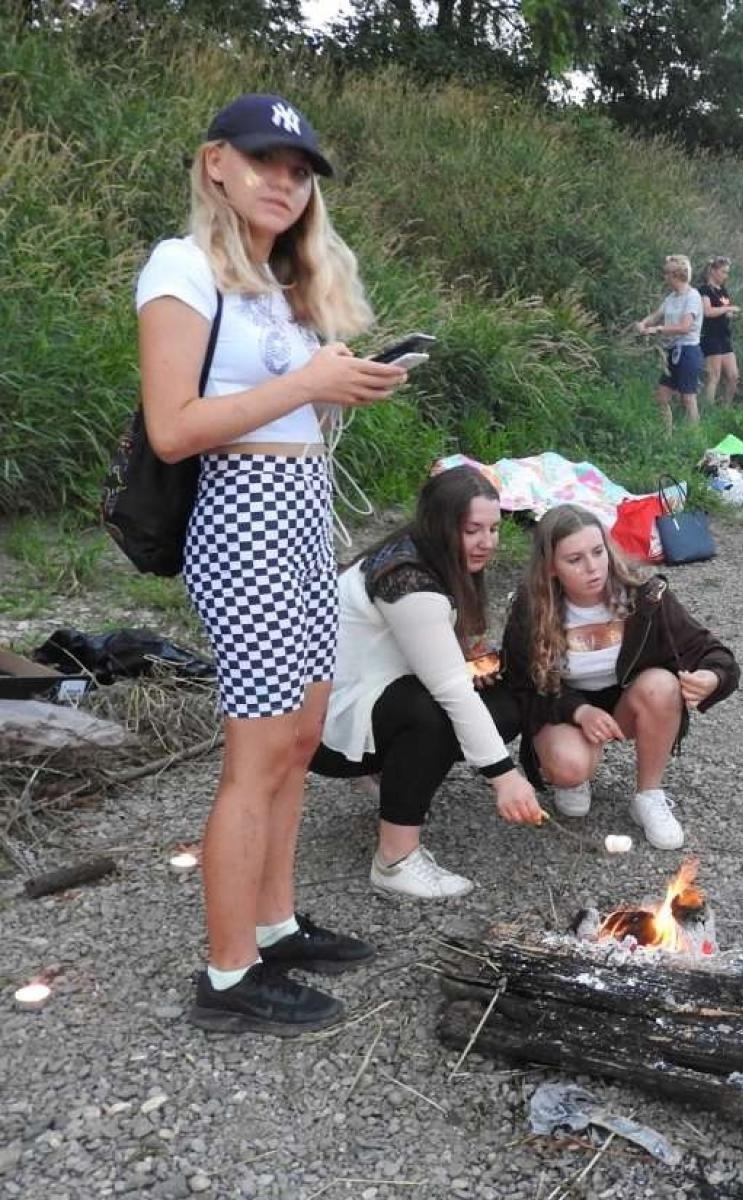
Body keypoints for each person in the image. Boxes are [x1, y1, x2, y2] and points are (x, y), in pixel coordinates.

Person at [137, 94, 410, 1034]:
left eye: (299, 172)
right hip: (242, 526)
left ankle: (275, 922)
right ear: (216, 163)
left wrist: (343, 388)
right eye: (265, 163)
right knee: (255, 759)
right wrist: (307, 381)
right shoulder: (181, 266)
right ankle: (227, 975)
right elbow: (174, 430)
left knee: (299, 741)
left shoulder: (270, 281)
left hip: (299, 523)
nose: (285, 183)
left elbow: (287, 409)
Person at [310, 466, 545, 899]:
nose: (488, 542)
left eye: (494, 528)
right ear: (441, 523)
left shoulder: (428, 553)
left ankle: (390, 774)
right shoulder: (409, 581)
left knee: (501, 706)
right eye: (473, 529)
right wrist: (504, 777)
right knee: (432, 711)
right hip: (319, 727)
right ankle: (395, 859)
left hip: (362, 695)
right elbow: (450, 689)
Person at [503, 505, 740, 849]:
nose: (592, 568)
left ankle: (648, 795)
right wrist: (578, 712)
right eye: (574, 559)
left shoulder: (643, 596)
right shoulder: (531, 609)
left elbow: (709, 650)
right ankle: (573, 777)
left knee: (662, 684)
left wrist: (712, 677)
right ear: (551, 567)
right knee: (569, 768)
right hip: (563, 709)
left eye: (598, 552)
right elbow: (521, 686)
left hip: (628, 705)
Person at [635, 255, 703, 431]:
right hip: (671, 351)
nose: (664, 277)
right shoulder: (671, 298)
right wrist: (643, 323)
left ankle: (694, 437)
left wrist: (658, 329)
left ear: (677, 274)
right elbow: (656, 315)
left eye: (666, 273)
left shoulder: (693, 296)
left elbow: (685, 327)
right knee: (662, 397)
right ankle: (667, 433)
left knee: (688, 398)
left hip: (688, 351)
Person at [697, 257, 741, 407]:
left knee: (733, 375)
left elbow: (723, 311)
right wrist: (727, 309)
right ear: (713, 271)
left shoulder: (723, 291)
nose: (725, 276)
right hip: (710, 335)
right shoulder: (704, 290)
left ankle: (725, 407)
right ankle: (707, 409)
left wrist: (732, 314)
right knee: (713, 375)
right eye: (723, 272)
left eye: (727, 273)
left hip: (724, 336)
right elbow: (707, 311)